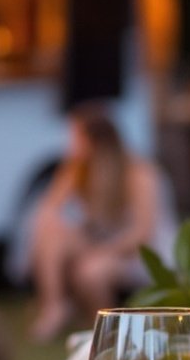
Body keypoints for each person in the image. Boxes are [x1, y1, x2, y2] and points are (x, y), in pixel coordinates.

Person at [28, 106, 168, 342]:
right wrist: (68, 176)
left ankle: (109, 331)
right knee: (51, 231)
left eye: (76, 138)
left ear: (96, 141)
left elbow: (144, 234)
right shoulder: (80, 170)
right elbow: (48, 209)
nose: (71, 145)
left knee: (91, 270)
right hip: (102, 244)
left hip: (137, 253)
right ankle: (54, 306)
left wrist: (100, 251)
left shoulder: (138, 173)